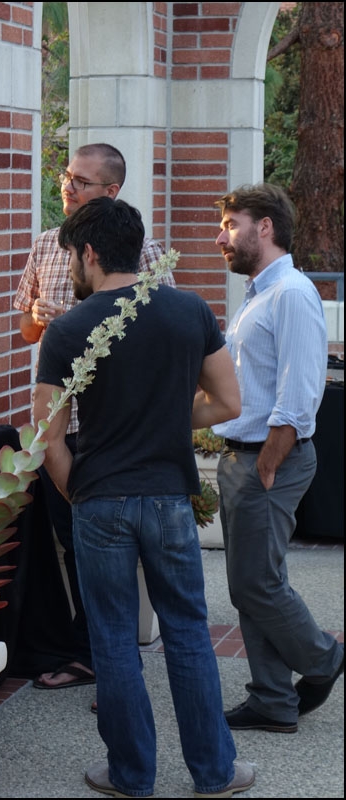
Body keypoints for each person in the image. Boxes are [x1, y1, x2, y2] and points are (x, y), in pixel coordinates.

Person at [33, 196, 253, 798]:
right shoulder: (189, 311)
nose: (73, 268)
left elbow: (47, 437)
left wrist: (76, 491)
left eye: (73, 256)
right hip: (168, 498)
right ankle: (214, 772)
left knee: (111, 636)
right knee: (186, 630)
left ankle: (132, 775)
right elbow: (229, 404)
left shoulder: (67, 329)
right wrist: (163, 421)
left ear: (91, 252)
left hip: (99, 498)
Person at [14, 142, 175, 690]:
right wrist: (40, 321)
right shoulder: (45, 245)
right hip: (61, 427)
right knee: (75, 546)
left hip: (116, 426)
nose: (68, 187)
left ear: (111, 191)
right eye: (66, 176)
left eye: (81, 181)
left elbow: (159, 328)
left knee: (114, 553)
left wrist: (83, 319)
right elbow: (26, 332)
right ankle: (91, 655)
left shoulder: (145, 253)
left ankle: (118, 666)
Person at [212, 183, 344, 733]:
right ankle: (271, 698)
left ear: (264, 227)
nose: (222, 235)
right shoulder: (258, 293)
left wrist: (267, 462)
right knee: (255, 582)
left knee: (255, 585)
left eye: (231, 223)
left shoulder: (290, 292)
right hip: (245, 459)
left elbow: (300, 392)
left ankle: (322, 658)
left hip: (267, 461)